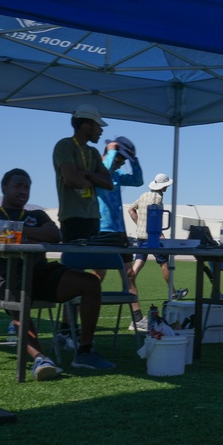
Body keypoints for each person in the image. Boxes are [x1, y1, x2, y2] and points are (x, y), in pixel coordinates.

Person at [0, 168, 115, 377]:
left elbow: (54, 234)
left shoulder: (35, 214)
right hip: (5, 276)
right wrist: (30, 236)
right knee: (19, 295)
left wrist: (13, 231)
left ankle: (84, 352)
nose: (23, 190)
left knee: (90, 283)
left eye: (27, 187)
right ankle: (40, 359)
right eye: (18, 186)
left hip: (41, 272)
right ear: (4, 187)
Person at [97, 135, 146, 329]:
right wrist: (111, 152)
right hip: (101, 231)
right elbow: (104, 172)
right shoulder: (98, 170)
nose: (121, 164)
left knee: (129, 275)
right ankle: (73, 321)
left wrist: (134, 160)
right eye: (120, 160)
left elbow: (138, 180)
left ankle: (137, 319)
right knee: (98, 275)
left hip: (119, 232)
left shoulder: (117, 174)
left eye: (124, 161)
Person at [52, 104, 113, 242]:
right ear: (86, 126)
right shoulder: (65, 145)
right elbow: (72, 180)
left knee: (92, 261)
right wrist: (95, 178)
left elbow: (109, 183)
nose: (101, 130)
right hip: (72, 217)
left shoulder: (93, 152)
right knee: (74, 262)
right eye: (98, 125)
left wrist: (85, 173)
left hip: (94, 217)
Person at [128, 173, 174, 291]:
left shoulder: (143, 195)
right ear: (162, 186)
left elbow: (130, 209)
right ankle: (173, 292)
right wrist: (161, 235)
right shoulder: (158, 198)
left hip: (141, 236)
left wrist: (139, 224)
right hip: (153, 236)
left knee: (138, 262)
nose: (167, 187)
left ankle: (127, 285)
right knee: (163, 262)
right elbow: (155, 217)